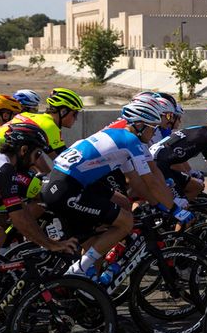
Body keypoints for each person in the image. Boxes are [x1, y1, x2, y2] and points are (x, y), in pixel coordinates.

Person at [43, 100, 191, 278]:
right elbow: (150, 181)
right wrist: (175, 210)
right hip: (68, 189)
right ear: (139, 125)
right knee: (126, 221)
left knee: (98, 240)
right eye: (152, 127)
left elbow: (135, 181)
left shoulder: (119, 137)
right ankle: (78, 269)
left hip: (65, 184)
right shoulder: (130, 141)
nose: (154, 132)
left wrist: (156, 203)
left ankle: (83, 289)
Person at [0, 123, 78, 308]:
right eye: (37, 154)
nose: (36, 161)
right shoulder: (6, 169)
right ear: (24, 150)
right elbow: (18, 220)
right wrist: (51, 244)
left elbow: (19, 209)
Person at [0, 88, 83, 171]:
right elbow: (68, 163)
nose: (76, 118)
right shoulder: (50, 126)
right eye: (74, 113)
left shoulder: (30, 116)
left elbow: (36, 157)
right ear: (63, 111)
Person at [150, 102, 207, 202]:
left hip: (158, 160)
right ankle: (174, 213)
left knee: (197, 187)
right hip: (159, 164)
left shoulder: (201, 133)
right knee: (180, 204)